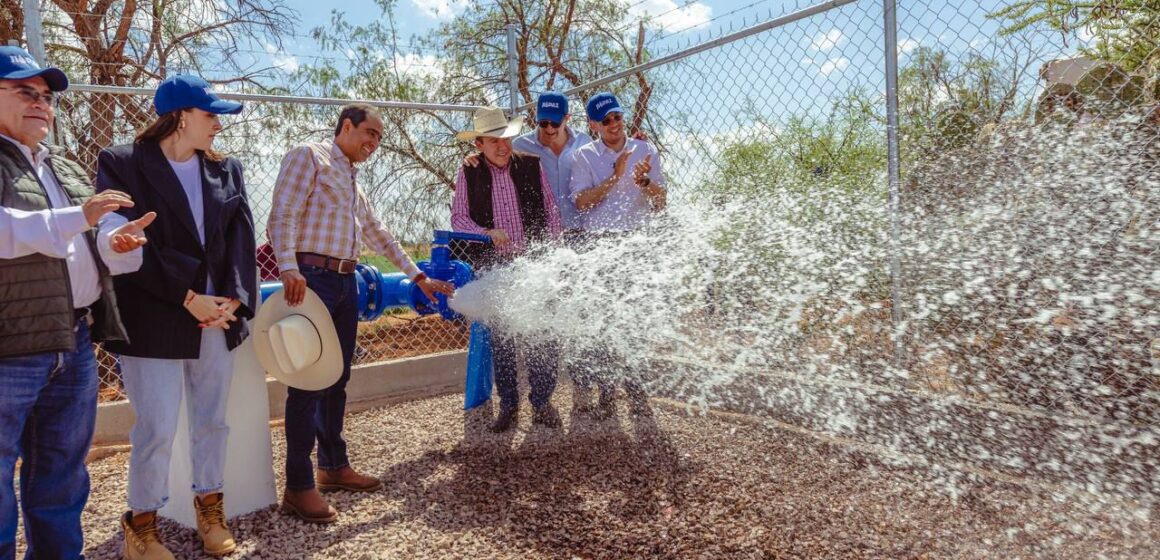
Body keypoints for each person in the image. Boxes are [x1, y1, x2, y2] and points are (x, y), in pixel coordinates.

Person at [267, 103, 455, 523]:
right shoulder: (309, 157)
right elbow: (283, 212)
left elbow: (378, 234)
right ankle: (298, 487)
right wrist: (289, 267)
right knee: (307, 382)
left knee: (337, 377)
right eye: (369, 133)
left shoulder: (353, 181)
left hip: (345, 282)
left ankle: (333, 466)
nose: (373, 143)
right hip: (311, 278)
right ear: (346, 126)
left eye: (379, 139)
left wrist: (417, 275)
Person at [96, 74, 257, 559]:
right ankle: (141, 526)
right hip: (156, 316)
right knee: (157, 427)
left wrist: (232, 298)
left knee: (212, 420)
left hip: (217, 317)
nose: (218, 126)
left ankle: (211, 510)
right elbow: (130, 244)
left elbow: (240, 238)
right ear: (181, 116)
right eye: (211, 115)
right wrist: (189, 298)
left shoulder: (226, 169)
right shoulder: (122, 163)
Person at [0, 46, 152, 559]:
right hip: (9, 350)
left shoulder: (62, 165)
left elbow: (91, 239)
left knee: (62, 479)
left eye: (46, 96)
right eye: (25, 91)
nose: (41, 103)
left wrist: (117, 243)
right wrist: (81, 219)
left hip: (74, 343)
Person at [452, 106, 566, 433]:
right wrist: (486, 234)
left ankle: (542, 401)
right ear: (479, 146)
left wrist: (554, 258)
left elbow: (551, 212)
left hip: (532, 264)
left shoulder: (531, 166)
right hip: (496, 267)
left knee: (540, 335)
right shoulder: (469, 172)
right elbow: (459, 218)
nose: (503, 147)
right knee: (502, 339)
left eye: (506, 138)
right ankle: (509, 405)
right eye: (494, 141)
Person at [568, 92, 667, 419]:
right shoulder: (584, 155)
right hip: (599, 246)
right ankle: (606, 392)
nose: (613, 124)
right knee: (601, 321)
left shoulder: (644, 149)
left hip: (636, 243)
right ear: (594, 124)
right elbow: (581, 202)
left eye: (617, 117)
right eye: (605, 120)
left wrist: (645, 182)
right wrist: (614, 175)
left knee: (633, 321)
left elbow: (661, 200)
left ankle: (637, 392)